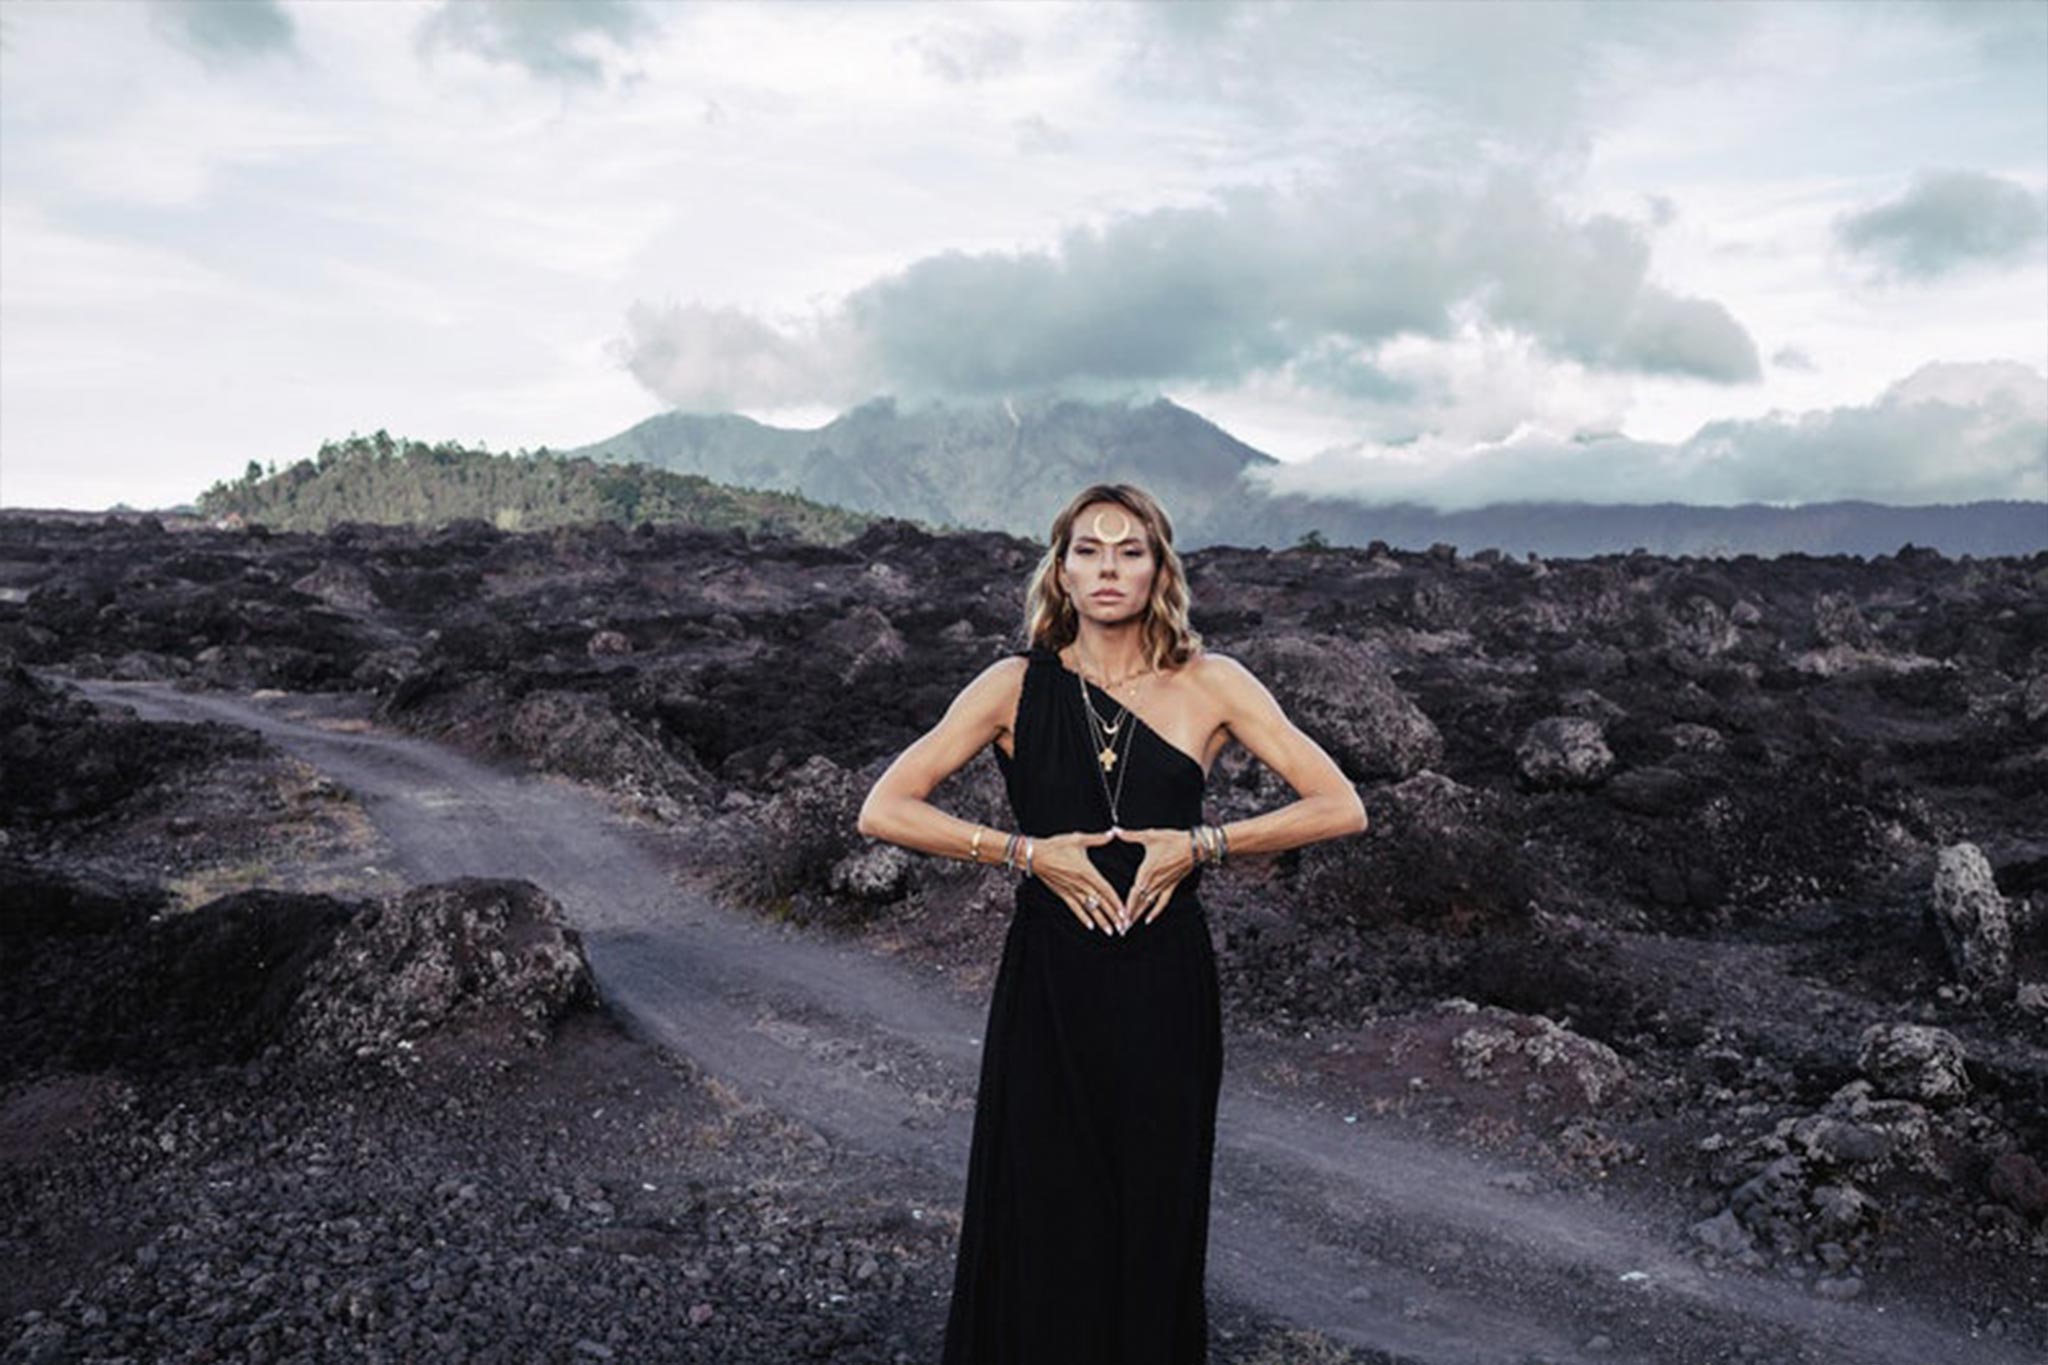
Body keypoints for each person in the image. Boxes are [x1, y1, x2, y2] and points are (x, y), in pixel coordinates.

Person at [855, 483, 1369, 1364]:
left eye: (1130, 550)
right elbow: (885, 807)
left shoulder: (1214, 684)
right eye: (1088, 550)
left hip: (1164, 982)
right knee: (1044, 1203)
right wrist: (1024, 853)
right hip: (1050, 982)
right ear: (1060, 569)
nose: (1108, 568)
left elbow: (1340, 804)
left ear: (1159, 569)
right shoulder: (1012, 685)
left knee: (1153, 1208)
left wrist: (1204, 844)